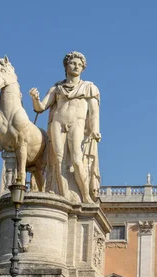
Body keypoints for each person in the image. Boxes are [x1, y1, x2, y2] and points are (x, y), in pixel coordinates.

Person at [30, 51, 101, 203]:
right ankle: (62, 195)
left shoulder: (89, 87)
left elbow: (94, 111)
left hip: (77, 123)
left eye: (80, 65)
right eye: (73, 63)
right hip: (58, 122)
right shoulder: (57, 88)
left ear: (83, 68)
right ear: (66, 65)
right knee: (57, 160)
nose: (76, 66)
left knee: (76, 159)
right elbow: (41, 107)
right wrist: (35, 99)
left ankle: (85, 195)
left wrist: (95, 130)